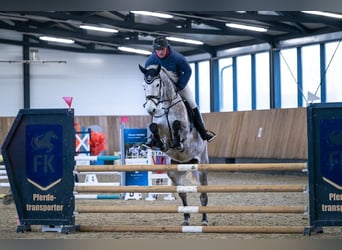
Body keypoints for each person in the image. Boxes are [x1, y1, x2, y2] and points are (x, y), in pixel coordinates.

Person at [144, 36, 216, 143]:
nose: (160, 52)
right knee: (152, 106)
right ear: (155, 50)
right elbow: (148, 76)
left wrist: (180, 85)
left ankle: (203, 132)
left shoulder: (177, 58)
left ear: (166, 47)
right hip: (161, 88)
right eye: (158, 50)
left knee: (192, 103)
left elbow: (188, 71)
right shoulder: (151, 60)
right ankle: (153, 138)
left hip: (178, 83)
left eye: (162, 49)